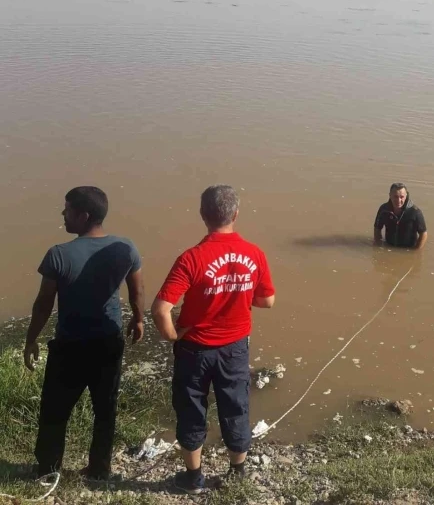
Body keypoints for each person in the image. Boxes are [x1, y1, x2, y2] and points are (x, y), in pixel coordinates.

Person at [151, 185, 275, 494]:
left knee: (191, 408)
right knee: (236, 405)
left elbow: (160, 310)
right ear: (235, 214)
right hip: (234, 348)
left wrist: (172, 336)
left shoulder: (191, 259)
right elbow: (268, 300)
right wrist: (238, 295)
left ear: (203, 216)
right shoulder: (254, 253)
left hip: (194, 349)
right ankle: (238, 471)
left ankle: (193, 478)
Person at [23, 186, 145, 480]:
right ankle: (100, 469)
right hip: (109, 342)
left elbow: (43, 305)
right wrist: (139, 319)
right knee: (105, 410)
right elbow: (137, 289)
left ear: (83, 215)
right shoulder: (126, 248)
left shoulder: (59, 255)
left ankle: (48, 470)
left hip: (70, 347)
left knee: (55, 411)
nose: (63, 215)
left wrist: (31, 339)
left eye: (67, 210)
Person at [374, 183, 428, 250]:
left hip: (408, 249)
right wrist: (379, 246)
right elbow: (377, 228)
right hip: (389, 247)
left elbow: (423, 234)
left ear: (406, 196)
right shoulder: (384, 209)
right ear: (390, 195)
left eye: (402, 197)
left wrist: (415, 252)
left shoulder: (415, 212)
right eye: (395, 197)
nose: (398, 200)